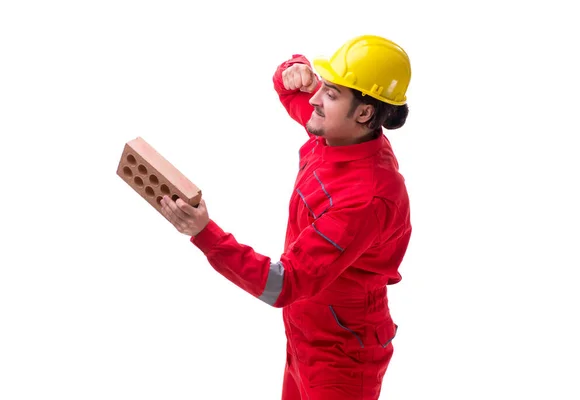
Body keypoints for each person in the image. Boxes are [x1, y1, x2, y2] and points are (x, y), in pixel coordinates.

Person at [159, 34, 413, 400]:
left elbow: (284, 283)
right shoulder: (340, 137)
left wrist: (204, 233)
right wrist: (293, 69)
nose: (314, 99)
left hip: (341, 358)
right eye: (323, 86)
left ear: (365, 112)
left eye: (331, 93)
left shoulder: (366, 198)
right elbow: (290, 92)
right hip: (306, 335)